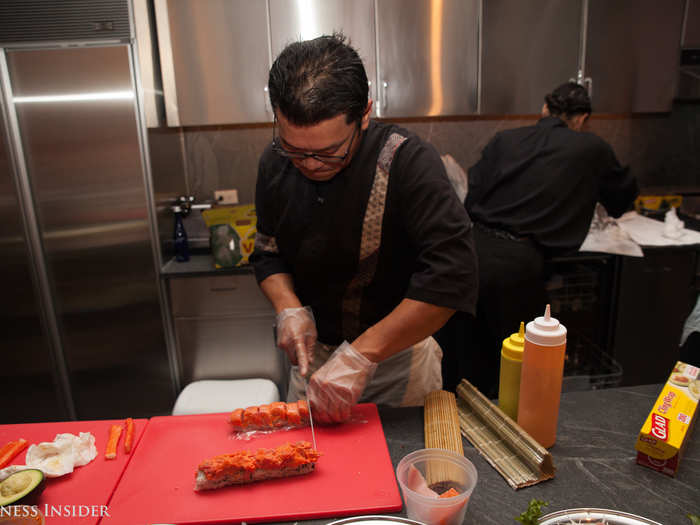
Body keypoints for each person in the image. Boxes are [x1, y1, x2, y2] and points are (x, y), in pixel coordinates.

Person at [250, 34, 477, 423]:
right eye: (295, 149)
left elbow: (452, 276)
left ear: (366, 114)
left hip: (396, 363)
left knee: (396, 474)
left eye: (329, 151)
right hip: (313, 365)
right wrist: (289, 308)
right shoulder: (274, 164)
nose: (310, 164)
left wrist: (361, 354)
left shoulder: (408, 162)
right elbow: (268, 253)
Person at [459, 82, 639, 396]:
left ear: (544, 109)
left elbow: (470, 196)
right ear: (583, 118)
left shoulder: (505, 140)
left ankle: (456, 432)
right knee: (516, 372)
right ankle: (505, 436)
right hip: (516, 266)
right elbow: (622, 198)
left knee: (466, 361)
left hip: (468, 253)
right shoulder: (591, 148)